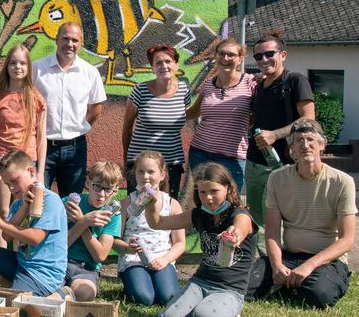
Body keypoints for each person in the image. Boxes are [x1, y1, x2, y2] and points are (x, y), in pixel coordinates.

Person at [250, 119, 355, 308]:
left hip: (326, 260)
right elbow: (272, 231)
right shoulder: (277, 178)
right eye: (299, 140)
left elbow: (347, 240)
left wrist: (309, 266)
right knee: (243, 285)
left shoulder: (342, 182)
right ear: (291, 147)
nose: (305, 145)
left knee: (319, 294)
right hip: (289, 255)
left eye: (310, 139)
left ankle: (296, 282)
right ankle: (288, 279)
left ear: (322, 145)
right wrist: (276, 265)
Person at [145, 162, 258, 317]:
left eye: (214, 191)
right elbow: (158, 223)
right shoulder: (199, 214)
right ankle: (204, 308)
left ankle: (231, 315)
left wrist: (234, 234)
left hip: (229, 289)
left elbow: (241, 227)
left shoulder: (240, 215)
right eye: (203, 192)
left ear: (228, 188)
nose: (208, 198)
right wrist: (151, 204)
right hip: (200, 282)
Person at [0, 150, 67, 297]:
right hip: (22, 263)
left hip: (42, 275)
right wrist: (24, 208)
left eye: (14, 180)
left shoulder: (51, 200)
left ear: (31, 171)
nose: (11, 188)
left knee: (12, 307)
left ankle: (57, 293)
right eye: (7, 184)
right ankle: (16, 287)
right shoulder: (18, 204)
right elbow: (6, 237)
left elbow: (35, 238)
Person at [245, 31, 315, 230]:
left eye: (269, 54)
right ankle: (263, 259)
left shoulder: (295, 81)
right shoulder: (258, 85)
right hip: (254, 161)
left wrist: (275, 134)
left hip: (282, 163)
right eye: (258, 56)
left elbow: (309, 118)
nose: (263, 60)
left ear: (282, 55)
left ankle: (279, 259)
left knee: (275, 217)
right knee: (255, 216)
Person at [32, 22, 106, 198]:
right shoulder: (37, 69)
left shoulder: (89, 72)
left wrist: (79, 127)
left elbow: (96, 108)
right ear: (56, 39)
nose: (69, 44)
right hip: (42, 147)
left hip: (75, 148)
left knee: (72, 202)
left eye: (75, 40)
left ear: (81, 43)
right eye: (65, 38)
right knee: (39, 201)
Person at [0, 43, 47, 224]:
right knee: (2, 211)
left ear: (28, 67)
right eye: (13, 63)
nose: (17, 67)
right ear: (7, 67)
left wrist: (40, 171)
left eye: (22, 64)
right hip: (1, 160)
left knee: (25, 212)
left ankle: (20, 252)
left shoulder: (37, 99)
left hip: (27, 161)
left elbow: (42, 138)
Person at [114, 150, 186, 306]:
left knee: (168, 297)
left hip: (161, 258)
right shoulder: (126, 203)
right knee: (144, 298)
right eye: (141, 171)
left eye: (151, 171)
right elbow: (114, 240)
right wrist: (126, 248)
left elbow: (180, 243)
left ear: (162, 175)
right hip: (133, 259)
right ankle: (132, 284)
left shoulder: (172, 204)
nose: (145, 176)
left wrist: (165, 259)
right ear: (135, 174)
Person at [122, 44, 191, 198]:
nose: (164, 66)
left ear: (176, 65)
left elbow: (189, 114)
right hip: (140, 166)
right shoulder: (140, 91)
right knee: (137, 212)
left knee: (167, 210)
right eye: (158, 63)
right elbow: (127, 127)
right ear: (152, 68)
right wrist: (126, 161)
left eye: (168, 61)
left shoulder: (184, 91)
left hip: (171, 164)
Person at [187, 38, 256, 191]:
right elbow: (193, 112)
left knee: (231, 200)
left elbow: (262, 111)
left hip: (232, 157)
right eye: (221, 54)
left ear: (240, 59)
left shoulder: (250, 83)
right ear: (216, 56)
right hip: (200, 153)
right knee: (203, 200)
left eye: (231, 55)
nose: (225, 58)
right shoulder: (208, 84)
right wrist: (161, 114)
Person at [62, 161, 123, 301]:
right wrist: (83, 222)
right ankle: (64, 294)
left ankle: (63, 294)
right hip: (63, 260)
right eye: (97, 187)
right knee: (47, 287)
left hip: (87, 268)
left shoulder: (112, 215)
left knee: (85, 293)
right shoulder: (70, 203)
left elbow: (100, 256)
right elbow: (59, 246)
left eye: (108, 189)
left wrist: (83, 222)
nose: (102, 194)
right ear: (88, 183)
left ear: (116, 190)